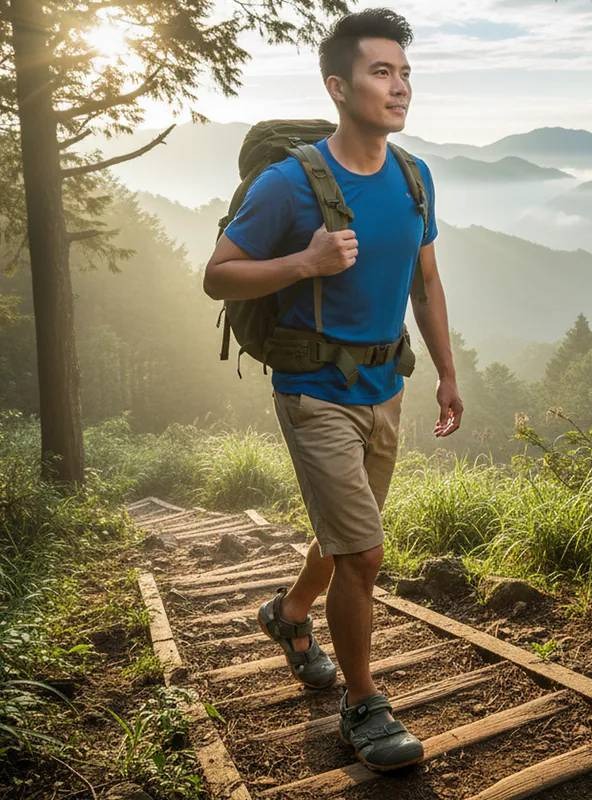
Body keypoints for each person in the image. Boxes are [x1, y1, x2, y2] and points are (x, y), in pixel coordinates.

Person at [203, 7, 463, 772]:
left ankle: (288, 615)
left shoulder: (415, 176)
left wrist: (448, 373)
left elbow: (427, 282)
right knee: (365, 555)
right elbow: (218, 275)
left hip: (388, 387)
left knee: (345, 536)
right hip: (314, 391)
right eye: (382, 73)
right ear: (339, 87)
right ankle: (362, 706)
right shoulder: (290, 185)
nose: (399, 87)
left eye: (405, 73)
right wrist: (304, 264)